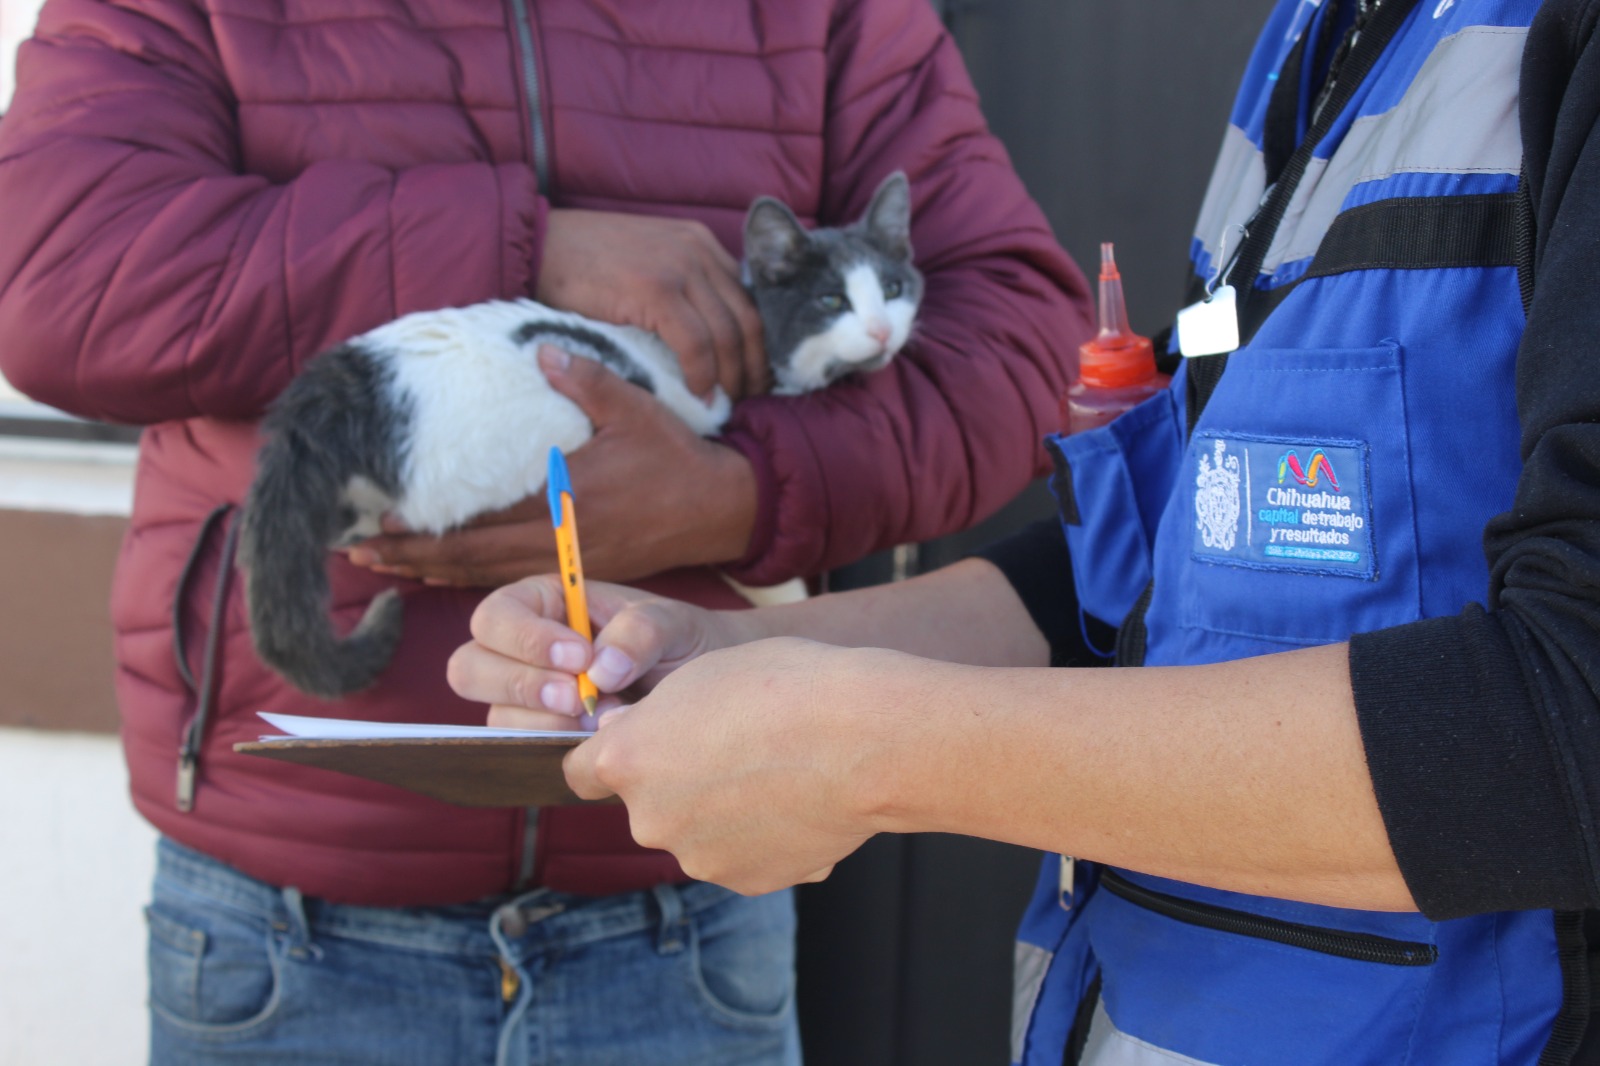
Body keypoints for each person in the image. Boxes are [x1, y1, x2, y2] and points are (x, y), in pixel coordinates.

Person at [449, 0, 1600, 1062]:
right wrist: (723, 650)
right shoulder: (1324, 33)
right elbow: (1151, 578)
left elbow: (1569, 718)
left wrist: (869, 749)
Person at [0, 2, 1088, 1063]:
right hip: (288, 909)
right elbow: (54, 274)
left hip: (692, 889)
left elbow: (1028, 342)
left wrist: (740, 491)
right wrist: (519, 244)